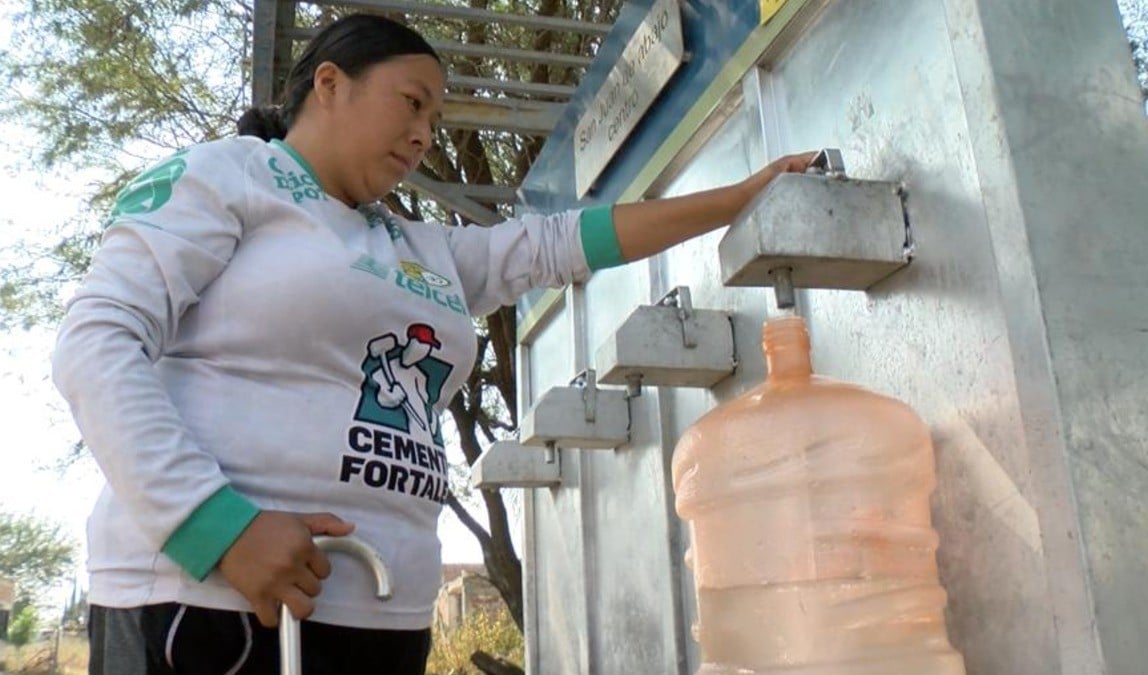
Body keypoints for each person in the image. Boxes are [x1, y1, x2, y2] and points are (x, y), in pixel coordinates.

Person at [52, 12, 820, 675]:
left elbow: (561, 242)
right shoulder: (227, 177)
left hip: (385, 617)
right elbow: (95, 339)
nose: (423, 134)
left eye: (434, 121)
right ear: (330, 83)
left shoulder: (424, 250)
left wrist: (737, 197)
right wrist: (214, 528)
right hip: (217, 602)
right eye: (411, 103)